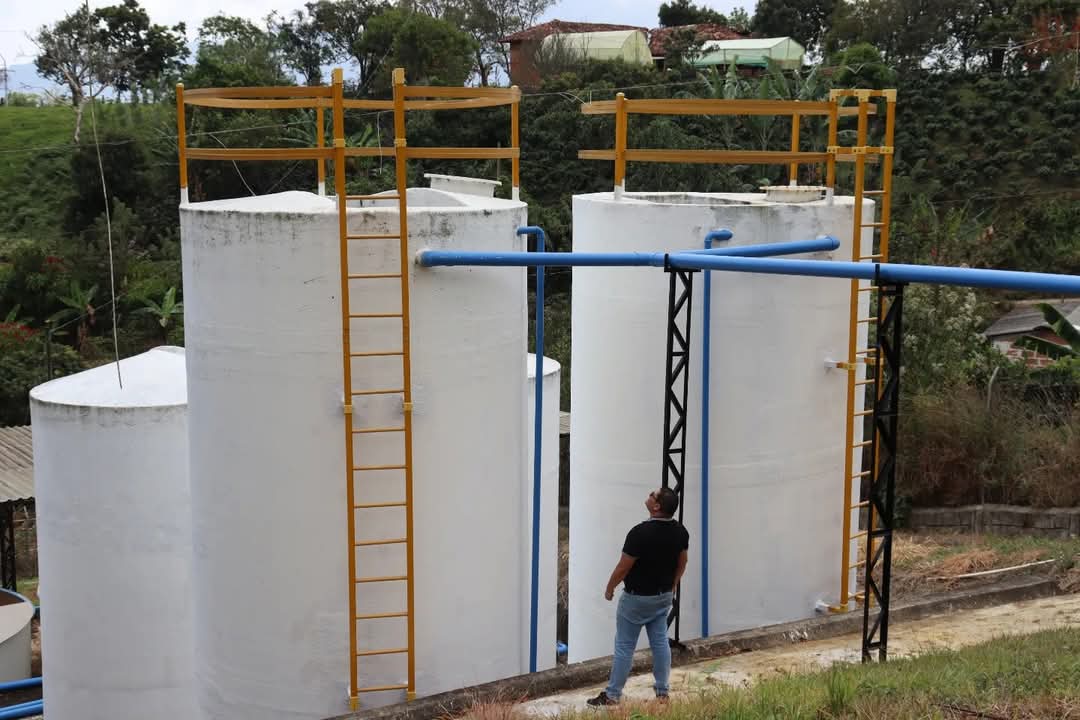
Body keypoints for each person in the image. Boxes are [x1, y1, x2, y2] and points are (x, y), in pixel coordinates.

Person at [586, 487, 689, 707]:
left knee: (625, 646)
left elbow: (624, 567)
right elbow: (683, 562)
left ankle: (613, 695)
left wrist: (610, 587)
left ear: (657, 506)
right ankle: (662, 693)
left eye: (653, 494)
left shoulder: (639, 533)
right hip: (662, 597)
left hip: (636, 599)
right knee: (660, 642)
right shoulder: (681, 532)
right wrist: (673, 585)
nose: (650, 495)